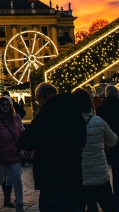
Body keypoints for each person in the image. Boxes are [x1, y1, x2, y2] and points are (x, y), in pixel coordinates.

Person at [19, 82, 86, 212]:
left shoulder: (46, 114)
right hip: (73, 175)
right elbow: (82, 140)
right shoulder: (76, 111)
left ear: (42, 96)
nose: (38, 103)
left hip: (51, 178)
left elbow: (26, 140)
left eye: (37, 100)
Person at [74, 88, 117, 212]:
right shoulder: (98, 121)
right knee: (109, 207)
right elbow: (113, 140)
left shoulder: (70, 123)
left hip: (79, 175)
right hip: (99, 174)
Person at [0, 94, 26, 212]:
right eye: (3, 105)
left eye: (7, 105)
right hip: (0, 156)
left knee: (17, 180)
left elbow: (20, 134)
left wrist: (22, 149)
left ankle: (19, 205)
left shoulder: (15, 119)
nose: (5, 107)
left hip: (13, 155)